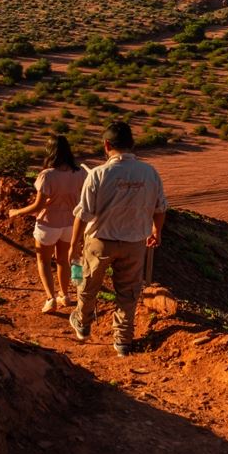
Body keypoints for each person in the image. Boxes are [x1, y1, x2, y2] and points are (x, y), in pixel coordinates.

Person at [68, 122, 167, 357]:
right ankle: (122, 341)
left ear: (106, 145)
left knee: (88, 284)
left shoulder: (98, 174)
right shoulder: (150, 173)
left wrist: (73, 245)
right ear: (132, 145)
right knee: (128, 292)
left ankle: (82, 323)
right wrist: (157, 230)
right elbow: (160, 207)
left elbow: (83, 214)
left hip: (100, 240)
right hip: (134, 243)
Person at [8, 136, 87, 314]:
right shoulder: (80, 172)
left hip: (48, 224)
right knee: (63, 260)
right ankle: (65, 296)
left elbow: (38, 205)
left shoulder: (47, 175)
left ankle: (51, 299)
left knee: (43, 261)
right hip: (70, 223)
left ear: (49, 151)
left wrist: (17, 212)